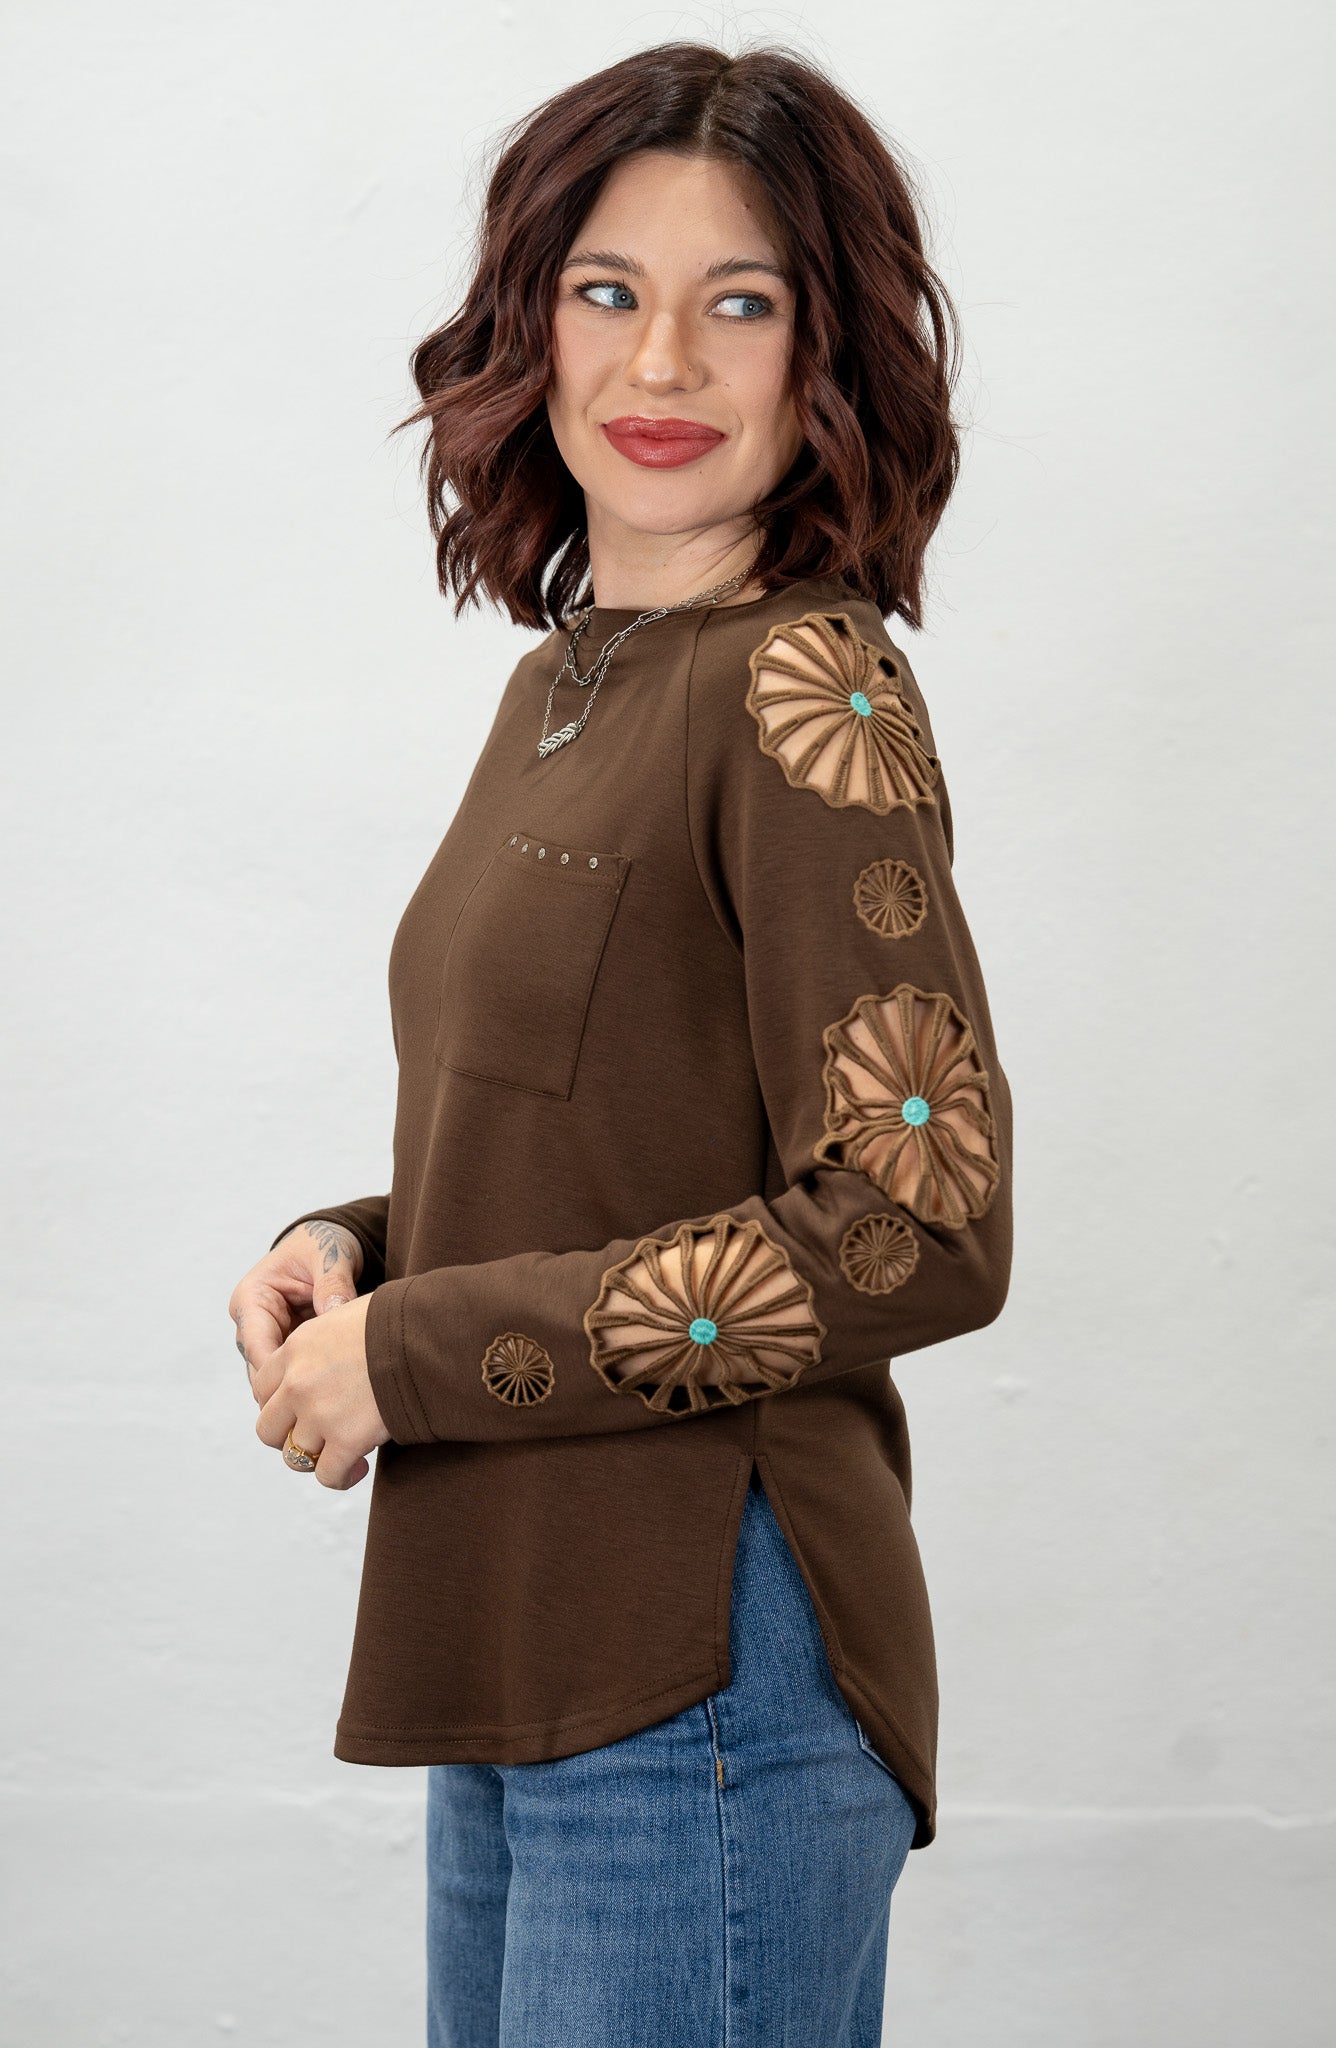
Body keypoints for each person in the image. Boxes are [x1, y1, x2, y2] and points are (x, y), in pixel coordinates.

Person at [228, 39, 1014, 2048]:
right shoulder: (573, 685)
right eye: (607, 291)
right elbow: (610, 1127)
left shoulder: (806, 686)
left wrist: (415, 1354)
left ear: (821, 354)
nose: (660, 362)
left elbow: (917, 1221)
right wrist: (360, 1251)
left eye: (737, 302)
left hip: (703, 1670)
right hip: (523, 1638)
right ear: (533, 324)